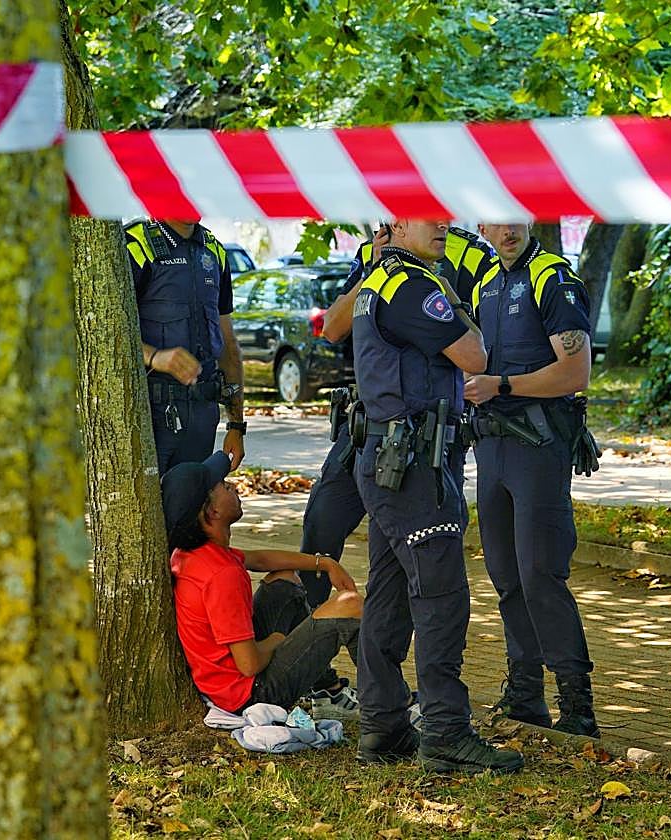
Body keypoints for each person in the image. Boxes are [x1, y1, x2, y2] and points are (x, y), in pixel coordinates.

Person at [349, 219, 523, 774]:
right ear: (396, 223)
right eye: (430, 215)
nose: (445, 226)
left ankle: (382, 722)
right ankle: (446, 731)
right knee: (441, 594)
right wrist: (448, 288)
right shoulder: (415, 286)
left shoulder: (379, 279)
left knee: (390, 589)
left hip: (389, 461)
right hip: (414, 465)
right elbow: (476, 355)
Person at [298, 225, 494, 609]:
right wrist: (377, 268)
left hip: (425, 436)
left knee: (411, 566)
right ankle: (305, 648)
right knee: (322, 525)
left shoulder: (468, 254)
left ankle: (384, 662)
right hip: (367, 428)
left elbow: (481, 345)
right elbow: (333, 329)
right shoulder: (380, 249)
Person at [463, 221, 600, 737]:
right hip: (493, 448)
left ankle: (577, 704)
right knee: (506, 576)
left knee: (541, 574)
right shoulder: (486, 283)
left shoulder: (552, 277)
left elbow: (575, 373)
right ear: (480, 227)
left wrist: (502, 384)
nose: (505, 229)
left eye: (513, 215)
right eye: (493, 220)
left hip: (538, 446)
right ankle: (525, 695)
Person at [163, 451, 362, 716]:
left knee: (283, 579)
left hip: (227, 681)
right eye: (223, 485)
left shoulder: (197, 553)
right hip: (251, 693)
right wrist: (279, 639)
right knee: (350, 605)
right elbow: (249, 664)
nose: (232, 486)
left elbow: (262, 559)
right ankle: (389, 705)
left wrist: (324, 563)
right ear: (213, 511)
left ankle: (327, 689)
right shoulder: (221, 575)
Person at [126, 218, 246, 474]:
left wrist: (237, 426)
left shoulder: (214, 251)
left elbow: (228, 347)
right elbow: (106, 331)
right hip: (150, 416)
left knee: (190, 506)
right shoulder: (136, 244)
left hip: (203, 414)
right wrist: (155, 356)